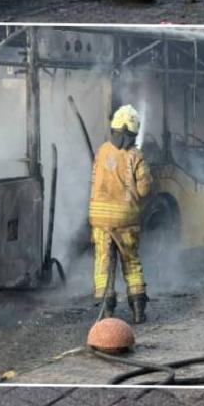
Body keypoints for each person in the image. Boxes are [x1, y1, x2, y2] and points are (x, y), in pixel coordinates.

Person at [89, 104, 152, 324]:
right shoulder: (136, 155)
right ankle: (138, 312)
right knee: (131, 262)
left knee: (103, 263)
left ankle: (106, 314)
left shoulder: (102, 151)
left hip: (99, 219)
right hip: (126, 220)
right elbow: (144, 189)